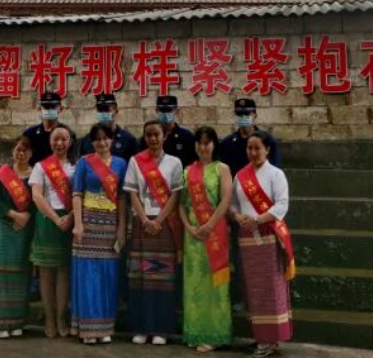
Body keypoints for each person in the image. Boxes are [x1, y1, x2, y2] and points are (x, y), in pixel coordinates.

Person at [230, 132, 295, 358]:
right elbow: (233, 204)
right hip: (247, 238)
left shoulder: (276, 174)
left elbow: (282, 205)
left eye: (258, 148)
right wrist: (238, 217)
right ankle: (261, 337)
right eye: (250, 148)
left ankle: (271, 338)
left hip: (268, 235)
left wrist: (258, 219)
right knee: (253, 288)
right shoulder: (240, 176)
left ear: (267, 150)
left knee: (270, 287)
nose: (253, 152)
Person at [124, 119, 184, 345]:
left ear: (164, 136)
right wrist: (144, 219)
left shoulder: (174, 163)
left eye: (157, 134)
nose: (153, 138)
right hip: (141, 224)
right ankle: (142, 328)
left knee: (162, 278)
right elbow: (132, 193)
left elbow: (175, 195)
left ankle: (161, 329)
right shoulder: (135, 161)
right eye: (148, 135)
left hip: (164, 225)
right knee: (140, 279)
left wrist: (158, 220)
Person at [70, 123, 128, 344]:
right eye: (97, 139)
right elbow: (77, 194)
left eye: (106, 138)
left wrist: (121, 228)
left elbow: (121, 198)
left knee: (107, 276)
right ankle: (87, 328)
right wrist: (78, 224)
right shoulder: (84, 162)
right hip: (88, 224)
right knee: (87, 275)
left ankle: (104, 327)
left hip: (110, 225)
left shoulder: (121, 164)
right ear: (91, 142)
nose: (102, 143)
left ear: (112, 140)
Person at [179, 126, 234, 353]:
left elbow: (226, 199)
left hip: (215, 232)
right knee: (194, 285)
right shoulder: (187, 171)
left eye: (207, 143)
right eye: (199, 143)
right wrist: (188, 227)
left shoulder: (222, 169)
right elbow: (181, 204)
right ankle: (195, 332)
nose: (203, 147)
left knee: (215, 285)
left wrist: (210, 224)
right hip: (193, 235)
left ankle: (214, 334)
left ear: (213, 145)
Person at [0, 136, 35, 339]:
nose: (21, 153)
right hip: (3, 229)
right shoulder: (3, 175)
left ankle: (17, 321)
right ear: (13, 151)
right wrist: (13, 214)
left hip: (24, 230)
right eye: (18, 149)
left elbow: (38, 201)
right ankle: (0, 323)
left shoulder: (35, 175)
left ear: (31, 153)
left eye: (25, 150)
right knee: (1, 274)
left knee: (20, 275)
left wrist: (26, 216)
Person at [29, 125, 76, 338]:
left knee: (64, 271)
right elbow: (37, 196)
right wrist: (56, 218)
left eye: (64, 139)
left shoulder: (76, 167)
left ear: (70, 142)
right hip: (48, 220)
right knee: (46, 272)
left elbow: (81, 195)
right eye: (56, 139)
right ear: (50, 141)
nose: (60, 143)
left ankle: (61, 317)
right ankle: (49, 318)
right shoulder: (41, 166)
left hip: (69, 220)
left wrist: (71, 216)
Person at [220, 98, 281, 177]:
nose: (243, 117)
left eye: (247, 114)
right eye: (239, 114)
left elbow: (275, 171)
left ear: (255, 115)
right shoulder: (227, 143)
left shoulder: (268, 141)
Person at [138, 95, 196, 167]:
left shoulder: (187, 137)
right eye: (162, 110)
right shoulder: (147, 139)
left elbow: (193, 165)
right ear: (156, 110)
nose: (165, 113)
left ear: (176, 111)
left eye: (169, 110)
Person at [79, 93, 139, 161]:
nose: (103, 113)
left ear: (116, 111)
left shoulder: (128, 140)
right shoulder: (87, 140)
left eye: (107, 110)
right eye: (100, 110)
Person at [24, 92, 75, 165]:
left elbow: (72, 160)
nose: (49, 109)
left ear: (61, 108)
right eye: (46, 107)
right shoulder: (29, 134)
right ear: (39, 108)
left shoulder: (68, 134)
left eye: (53, 107)